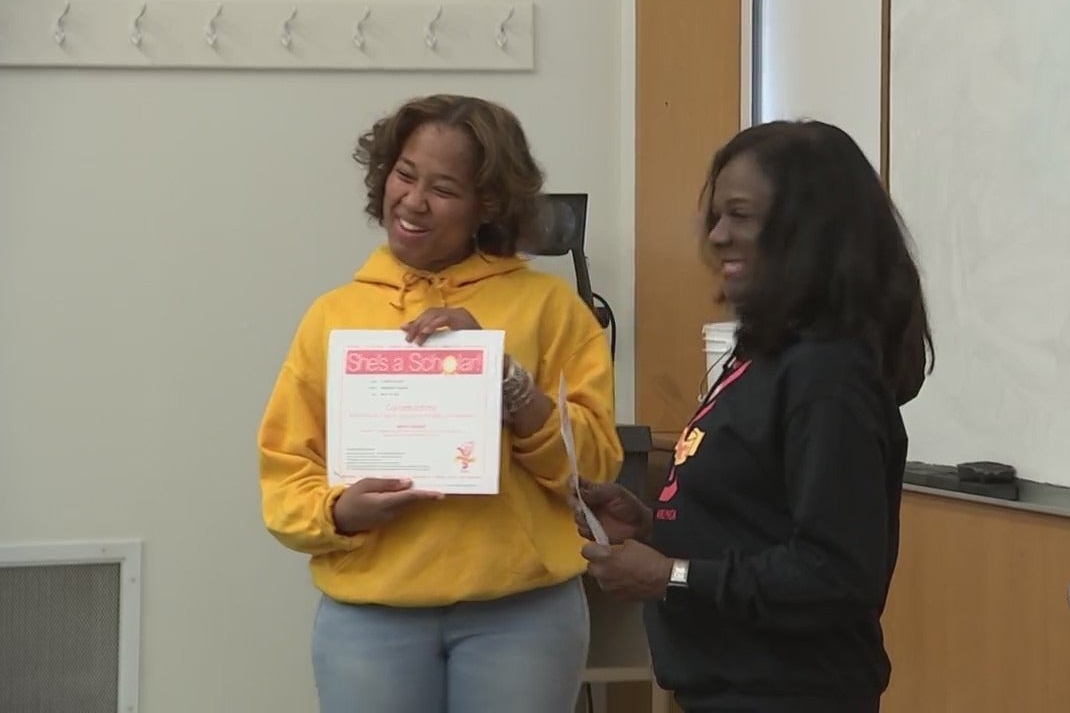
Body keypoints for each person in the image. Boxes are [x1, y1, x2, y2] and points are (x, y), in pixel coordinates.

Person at [258, 93, 623, 713]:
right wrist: (340, 512)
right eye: (404, 175)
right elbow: (285, 476)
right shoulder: (334, 316)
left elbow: (595, 471)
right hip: (371, 618)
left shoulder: (551, 308)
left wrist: (511, 385)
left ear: (488, 204)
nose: (414, 201)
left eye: (444, 189)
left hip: (523, 616)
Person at [577, 119, 933, 712]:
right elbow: (757, 521)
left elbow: (836, 574)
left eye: (739, 215)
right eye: (715, 216)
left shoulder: (828, 377)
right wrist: (650, 527)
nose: (716, 236)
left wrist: (671, 576)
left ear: (808, 231)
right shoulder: (769, 357)